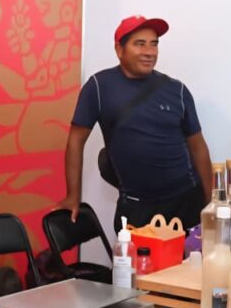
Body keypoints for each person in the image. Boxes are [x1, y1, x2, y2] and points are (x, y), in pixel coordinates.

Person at [58, 15, 213, 232]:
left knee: (191, 256)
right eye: (140, 44)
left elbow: (198, 148)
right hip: (137, 208)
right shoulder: (99, 87)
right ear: (119, 49)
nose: (149, 52)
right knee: (133, 256)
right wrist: (73, 195)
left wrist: (210, 202)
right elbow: (76, 140)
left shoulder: (177, 90)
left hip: (186, 201)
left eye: (154, 44)